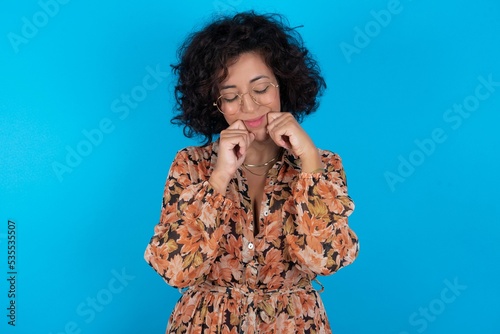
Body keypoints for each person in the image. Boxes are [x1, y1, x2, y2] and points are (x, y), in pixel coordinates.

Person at [144, 11, 359, 334]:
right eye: (231, 96)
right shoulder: (191, 164)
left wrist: (310, 163)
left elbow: (325, 261)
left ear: (282, 86)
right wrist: (219, 178)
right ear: (215, 103)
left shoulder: (322, 164)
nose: (248, 106)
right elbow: (175, 270)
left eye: (260, 89)